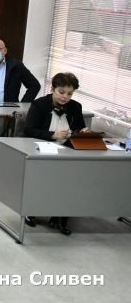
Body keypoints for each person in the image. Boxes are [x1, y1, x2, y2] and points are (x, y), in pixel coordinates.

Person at [23, 72, 88, 236]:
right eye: (61, 92)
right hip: (42, 149)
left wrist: (82, 132)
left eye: (70, 94)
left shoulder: (75, 107)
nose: (65, 97)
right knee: (44, 177)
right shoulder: (39, 104)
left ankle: (61, 217)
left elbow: (79, 128)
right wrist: (52, 135)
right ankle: (31, 210)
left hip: (68, 149)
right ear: (52, 89)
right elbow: (29, 130)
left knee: (72, 180)